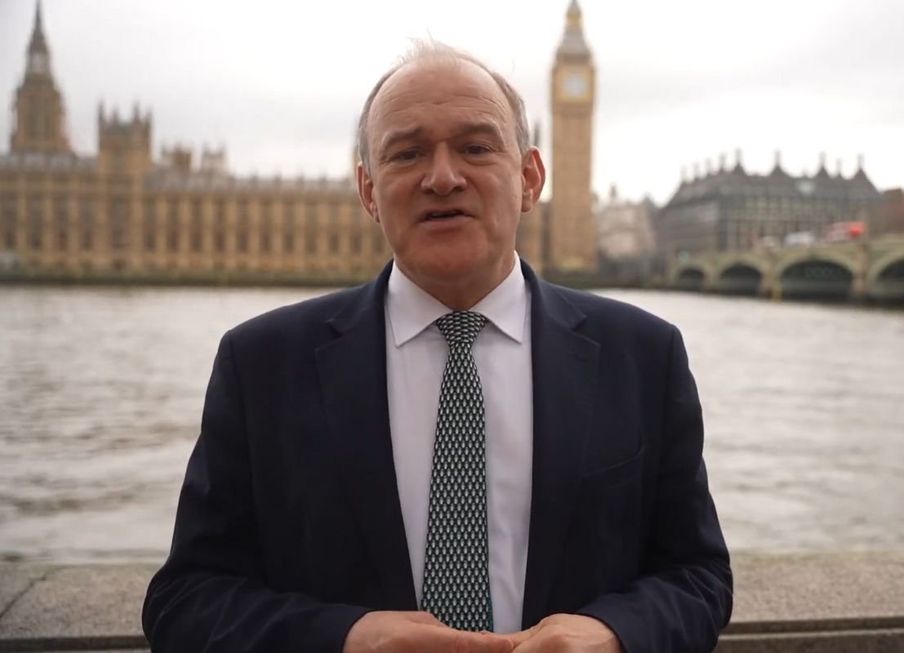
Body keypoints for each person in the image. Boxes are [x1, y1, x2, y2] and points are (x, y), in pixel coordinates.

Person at [143, 42, 732, 653]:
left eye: (476, 148)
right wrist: (344, 641)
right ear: (368, 191)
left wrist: (615, 635)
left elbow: (698, 576)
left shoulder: (644, 356)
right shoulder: (261, 366)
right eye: (408, 153)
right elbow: (185, 600)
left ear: (529, 179)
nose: (443, 177)